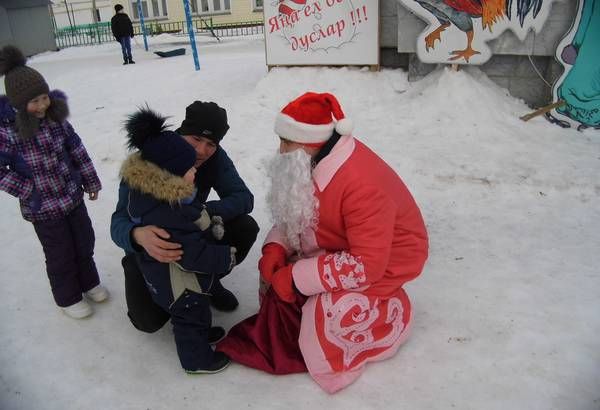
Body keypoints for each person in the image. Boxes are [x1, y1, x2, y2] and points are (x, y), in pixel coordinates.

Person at [217, 92, 429, 393]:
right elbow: (298, 207)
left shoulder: (361, 185)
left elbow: (368, 264)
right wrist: (276, 247)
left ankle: (390, 314)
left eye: (286, 142)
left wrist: (295, 276)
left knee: (328, 313)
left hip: (387, 263)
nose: (280, 150)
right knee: (278, 280)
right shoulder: (316, 156)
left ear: (309, 143)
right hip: (343, 245)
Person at [111, 100, 258, 334]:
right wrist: (136, 235)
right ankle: (150, 280)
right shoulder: (151, 158)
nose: (202, 150)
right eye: (196, 139)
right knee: (147, 321)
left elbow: (244, 198)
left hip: (191, 241)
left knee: (245, 227)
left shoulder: (215, 158)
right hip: (151, 252)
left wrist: (205, 213)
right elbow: (117, 222)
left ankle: (207, 284)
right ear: (181, 132)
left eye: (211, 144)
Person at [120, 107, 234, 373]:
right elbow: (191, 252)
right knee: (190, 316)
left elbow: (238, 198)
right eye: (196, 140)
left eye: (211, 144)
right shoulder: (160, 201)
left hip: (176, 273)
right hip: (177, 280)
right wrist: (223, 258)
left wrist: (211, 218)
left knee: (198, 312)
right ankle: (196, 361)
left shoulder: (171, 195)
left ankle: (201, 333)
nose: (200, 156)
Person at [0, 45, 107, 319]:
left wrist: (90, 180)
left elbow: (76, 148)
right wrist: (29, 189)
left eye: (44, 97)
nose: (42, 105)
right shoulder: (8, 131)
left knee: (84, 241)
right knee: (60, 253)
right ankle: (68, 297)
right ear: (17, 103)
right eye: (34, 101)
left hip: (71, 195)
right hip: (43, 208)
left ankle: (89, 282)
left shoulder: (55, 119)